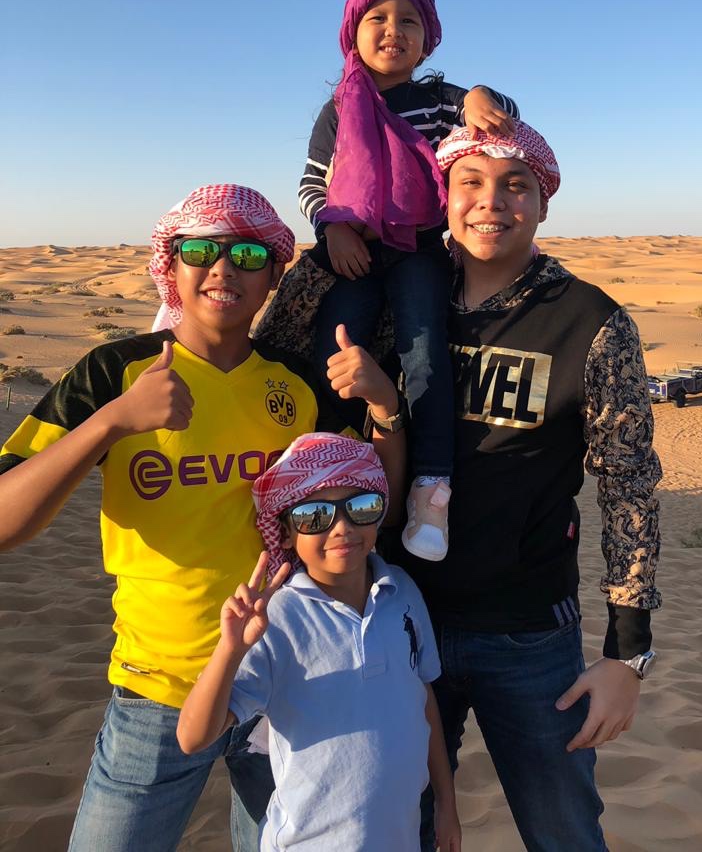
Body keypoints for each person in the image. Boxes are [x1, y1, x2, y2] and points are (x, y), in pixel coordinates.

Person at [0, 184, 405, 852]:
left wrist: (385, 408)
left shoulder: (296, 383)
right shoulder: (117, 372)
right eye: (200, 251)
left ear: (274, 275)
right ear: (171, 264)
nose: (224, 269)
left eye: (248, 255)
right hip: (159, 688)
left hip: (289, 684)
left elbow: (373, 502)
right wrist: (113, 422)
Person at [391, 122, 662, 852]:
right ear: (443, 197)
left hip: (528, 634)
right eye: (470, 182)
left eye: (517, 185)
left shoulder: (592, 322)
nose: (492, 201)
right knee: (405, 829)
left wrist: (627, 653)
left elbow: (629, 485)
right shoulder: (403, 303)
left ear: (543, 204)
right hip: (401, 623)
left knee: (563, 833)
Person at [296, 0, 520, 563]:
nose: (393, 30)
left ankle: (430, 485)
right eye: (379, 18)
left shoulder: (443, 102)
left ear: (427, 40)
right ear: (354, 32)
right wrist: (332, 228)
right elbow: (313, 183)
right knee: (333, 350)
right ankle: (329, 465)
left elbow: (504, 120)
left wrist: (480, 95)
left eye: (409, 21)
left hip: (419, 249)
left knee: (425, 355)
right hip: (353, 251)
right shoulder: (339, 109)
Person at [177, 432, 461, 852]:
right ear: (285, 534)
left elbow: (423, 697)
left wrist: (446, 804)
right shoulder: (276, 617)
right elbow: (193, 737)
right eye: (314, 515)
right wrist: (230, 650)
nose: (342, 527)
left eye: (361, 507)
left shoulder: (401, 590)